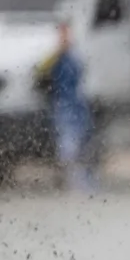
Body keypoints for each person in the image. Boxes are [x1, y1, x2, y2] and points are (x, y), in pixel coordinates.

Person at [34, 20, 94, 192]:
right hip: (63, 106)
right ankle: (71, 182)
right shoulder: (53, 57)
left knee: (83, 144)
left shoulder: (76, 55)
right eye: (62, 33)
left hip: (78, 106)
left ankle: (83, 182)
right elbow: (40, 73)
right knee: (68, 146)